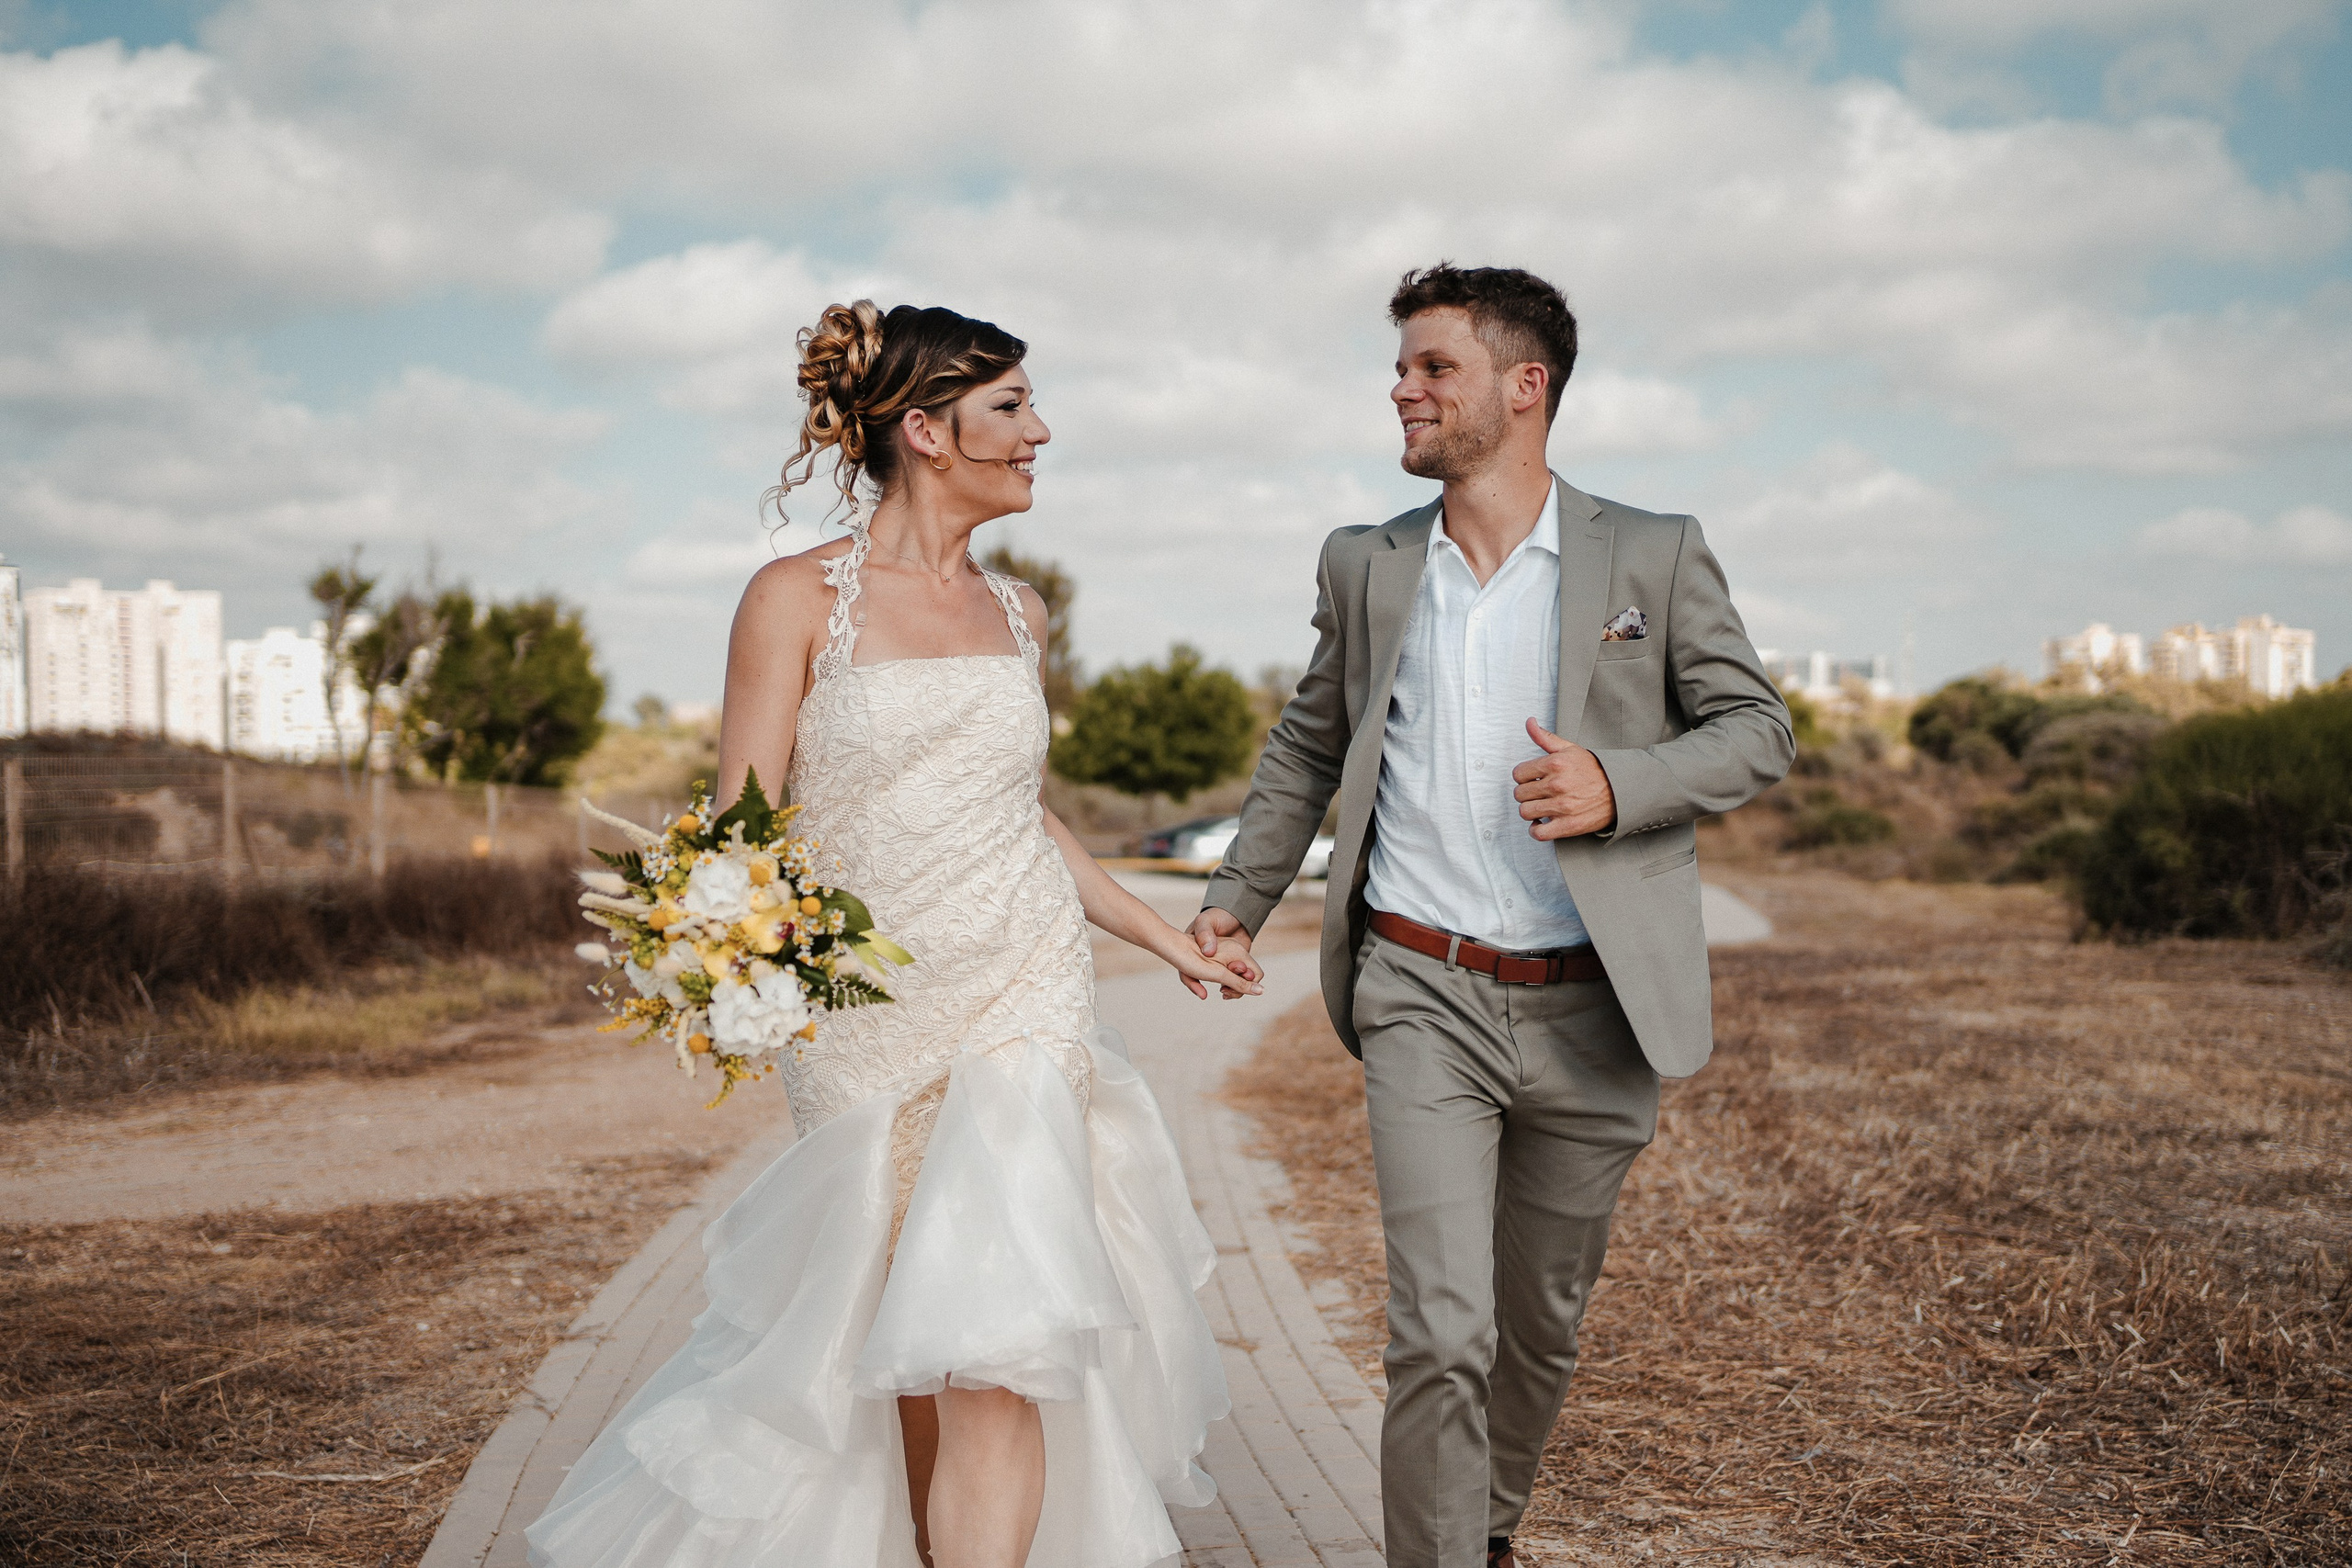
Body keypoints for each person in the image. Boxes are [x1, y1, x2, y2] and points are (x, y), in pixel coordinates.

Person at [527, 300, 1259, 1568]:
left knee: (998, 1356)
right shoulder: (792, 600)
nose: (1043, 431)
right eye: (1012, 408)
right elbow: (743, 844)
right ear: (924, 430)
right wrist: (731, 971)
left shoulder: (1021, 613)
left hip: (1025, 1001)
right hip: (870, 1030)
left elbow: (1024, 818)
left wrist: (1167, 940)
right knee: (910, 1357)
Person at [1190, 265, 1793, 1568]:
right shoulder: (1366, 563)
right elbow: (1308, 744)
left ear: (1526, 388)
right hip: (1422, 990)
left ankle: (1486, 1535)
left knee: (1539, 1328)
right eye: (1402, 367)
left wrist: (1620, 783)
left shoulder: (1653, 552)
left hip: (1596, 1006)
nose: (1402, 389)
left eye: (1432, 368)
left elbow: (1757, 731)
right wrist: (1235, 902)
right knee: (1441, 1331)